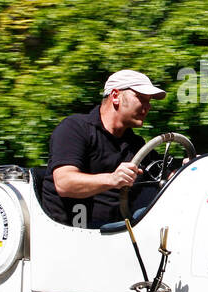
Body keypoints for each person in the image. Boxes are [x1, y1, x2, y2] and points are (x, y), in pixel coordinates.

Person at [41, 69, 166, 227]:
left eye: (149, 101)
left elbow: (165, 175)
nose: (147, 107)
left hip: (118, 236)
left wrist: (187, 167)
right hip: (73, 236)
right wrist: (112, 179)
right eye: (141, 98)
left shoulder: (135, 144)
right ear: (115, 96)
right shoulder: (75, 128)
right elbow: (64, 183)